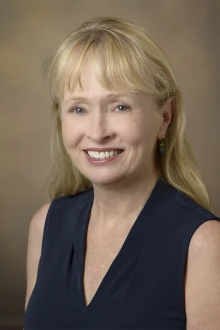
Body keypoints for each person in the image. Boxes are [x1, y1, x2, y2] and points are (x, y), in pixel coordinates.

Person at [24, 16, 220, 329]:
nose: (98, 132)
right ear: (61, 119)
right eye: (79, 108)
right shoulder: (45, 226)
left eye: (120, 107)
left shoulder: (205, 244)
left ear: (164, 118)